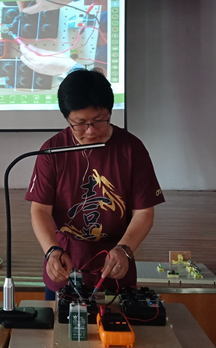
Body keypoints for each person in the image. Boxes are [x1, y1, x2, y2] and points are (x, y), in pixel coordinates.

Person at [25, 69, 165, 300]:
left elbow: (144, 212)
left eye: (99, 121)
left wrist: (124, 249)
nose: (90, 131)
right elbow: (40, 210)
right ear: (67, 118)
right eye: (80, 123)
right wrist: (51, 250)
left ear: (110, 112)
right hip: (66, 258)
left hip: (116, 257)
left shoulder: (132, 149)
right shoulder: (52, 151)